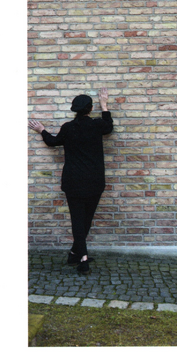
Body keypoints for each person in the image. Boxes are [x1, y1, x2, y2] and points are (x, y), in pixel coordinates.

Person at [29, 88, 113, 274]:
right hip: (94, 181)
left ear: (74, 110)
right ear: (91, 109)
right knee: (86, 219)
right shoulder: (97, 125)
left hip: (74, 181)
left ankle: (76, 252)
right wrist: (105, 104)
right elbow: (109, 126)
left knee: (78, 220)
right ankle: (82, 258)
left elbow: (52, 142)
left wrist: (41, 129)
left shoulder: (68, 128)